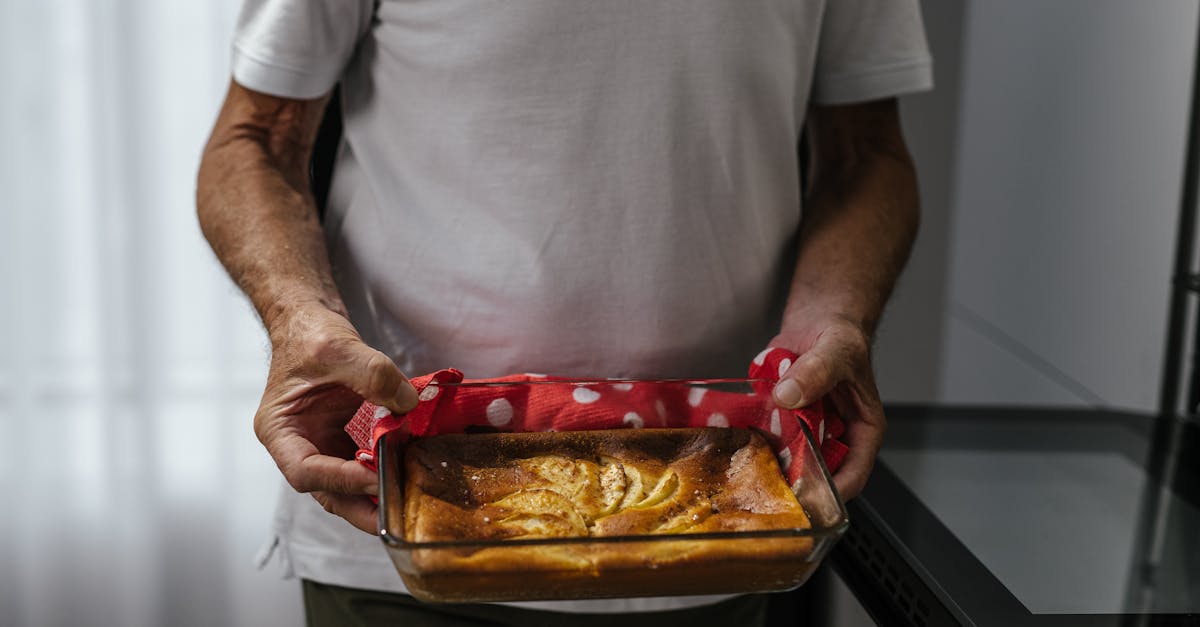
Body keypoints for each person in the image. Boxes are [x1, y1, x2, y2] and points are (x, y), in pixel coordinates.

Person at [197, 1, 931, 624]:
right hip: (395, 524)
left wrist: (838, 320)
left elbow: (864, 154)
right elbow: (256, 138)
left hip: (727, 526)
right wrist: (302, 323)